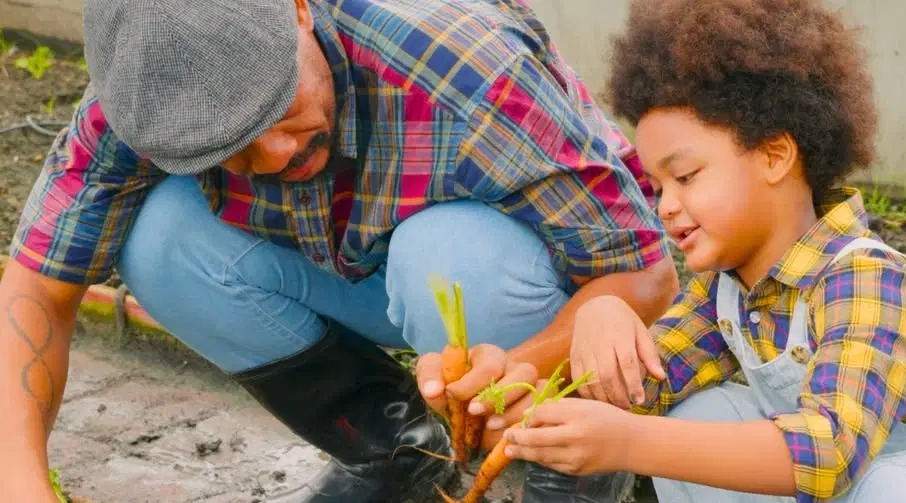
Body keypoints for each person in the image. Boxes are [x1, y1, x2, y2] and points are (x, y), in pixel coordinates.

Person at [0, 0, 681, 502]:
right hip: (362, 272)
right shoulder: (151, 99)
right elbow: (36, 286)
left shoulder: (463, 69)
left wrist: (512, 369)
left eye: (277, 105)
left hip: (524, 287)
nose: (278, 153)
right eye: (231, 149)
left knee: (447, 256)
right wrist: (21, 483)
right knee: (154, 242)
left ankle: (585, 473)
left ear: (298, 11)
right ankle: (402, 454)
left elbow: (646, 274)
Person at [502, 0, 906, 502]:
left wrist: (630, 443)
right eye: (657, 187)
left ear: (774, 155)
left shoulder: (872, 281)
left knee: (888, 489)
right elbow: (640, 394)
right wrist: (588, 327)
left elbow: (827, 453)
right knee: (698, 414)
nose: (666, 207)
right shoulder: (728, 293)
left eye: (685, 177)